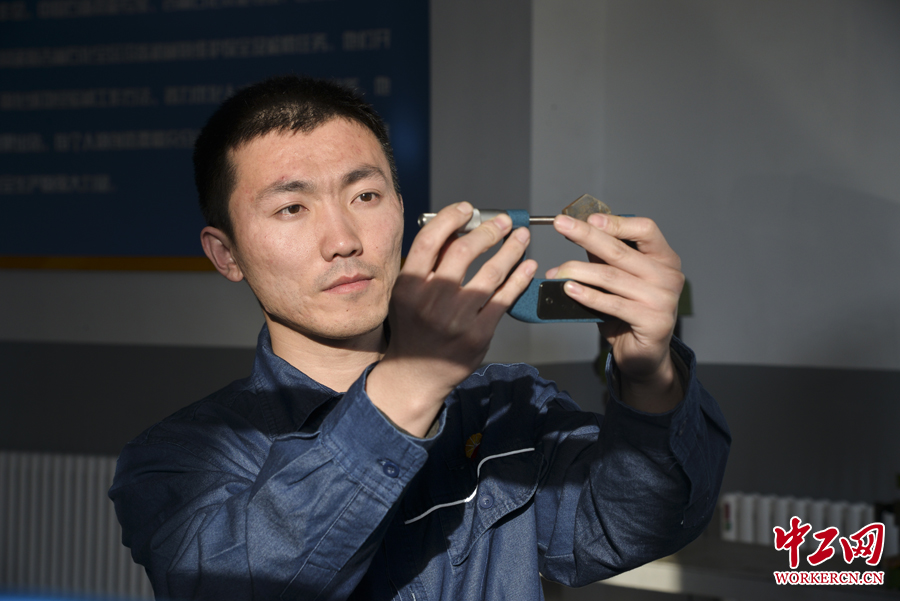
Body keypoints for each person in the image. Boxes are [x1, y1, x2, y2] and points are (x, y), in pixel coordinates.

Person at [109, 75, 730, 600]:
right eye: (291, 208)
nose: (344, 239)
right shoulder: (180, 458)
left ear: (403, 211)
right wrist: (409, 384)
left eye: (366, 195)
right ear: (227, 255)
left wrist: (650, 377)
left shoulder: (506, 409)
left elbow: (631, 527)